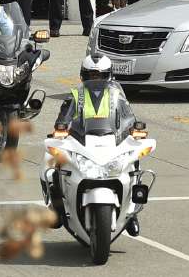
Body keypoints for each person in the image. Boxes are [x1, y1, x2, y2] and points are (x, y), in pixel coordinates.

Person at [47, 53, 141, 235]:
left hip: (110, 139)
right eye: (92, 75)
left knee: (134, 160)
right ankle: (57, 209)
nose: (96, 79)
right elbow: (64, 117)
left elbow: (128, 116)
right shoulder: (75, 94)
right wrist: (61, 129)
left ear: (109, 76)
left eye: (100, 75)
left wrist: (134, 130)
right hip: (83, 139)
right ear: (84, 75)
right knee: (51, 166)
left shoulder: (117, 96)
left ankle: (132, 212)